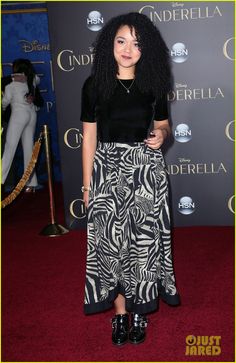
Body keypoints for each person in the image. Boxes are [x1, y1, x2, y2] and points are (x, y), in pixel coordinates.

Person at [81, 12, 180, 346]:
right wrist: (87, 187)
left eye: (136, 44)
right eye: (121, 40)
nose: (127, 49)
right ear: (110, 42)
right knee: (111, 246)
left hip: (145, 172)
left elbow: (165, 126)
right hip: (107, 172)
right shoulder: (94, 85)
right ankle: (120, 312)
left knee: (143, 244)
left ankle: (140, 310)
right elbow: (89, 139)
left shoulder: (153, 84)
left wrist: (160, 134)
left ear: (146, 49)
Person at [1, 59, 43, 193]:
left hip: (18, 116)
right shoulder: (32, 81)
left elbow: (4, 103)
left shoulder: (11, 86)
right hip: (31, 115)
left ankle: (1, 179)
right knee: (28, 149)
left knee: (9, 149)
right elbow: (36, 79)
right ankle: (31, 183)